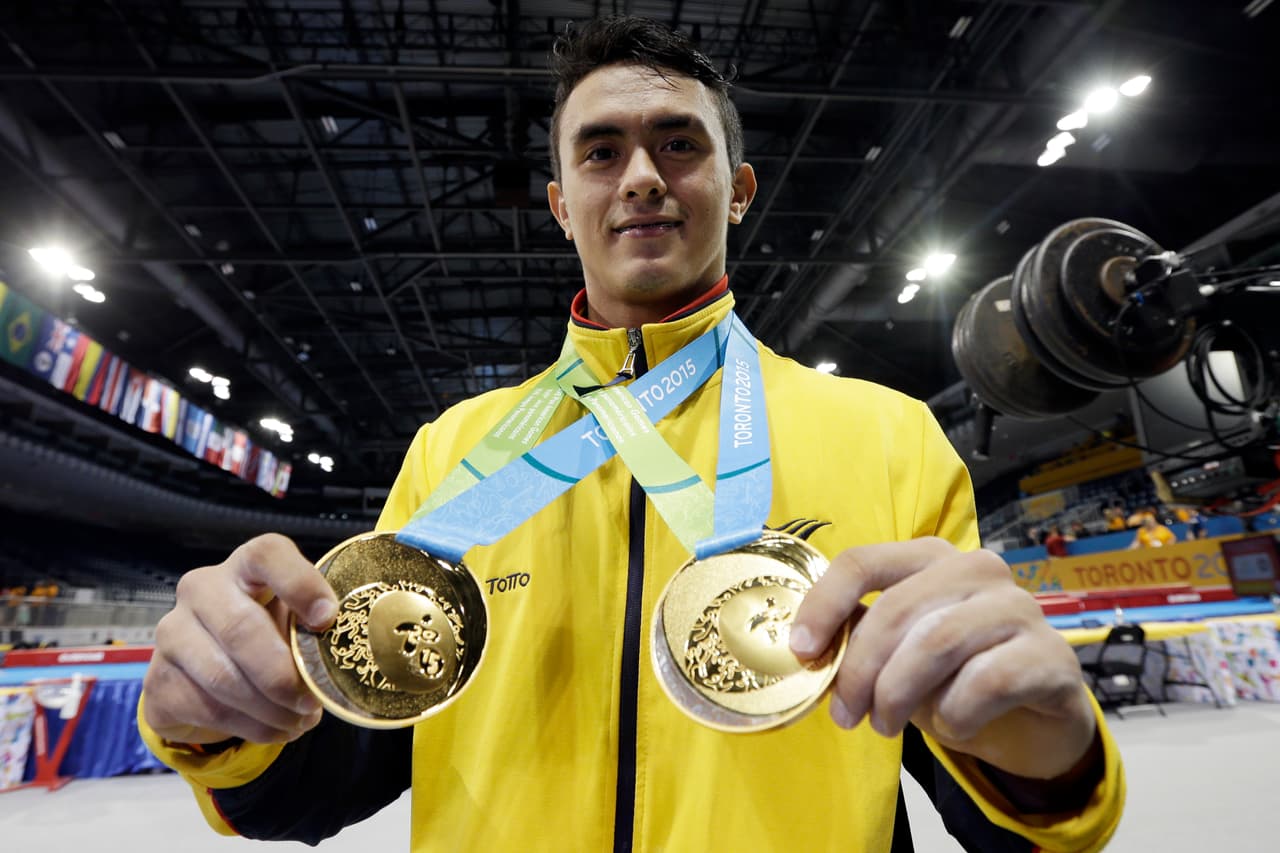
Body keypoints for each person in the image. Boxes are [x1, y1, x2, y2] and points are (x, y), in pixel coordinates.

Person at [137, 16, 1121, 852]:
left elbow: (980, 774)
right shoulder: (453, 449)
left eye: (678, 144)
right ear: (563, 205)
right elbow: (344, 764)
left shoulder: (887, 435)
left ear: (737, 188)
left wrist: (1047, 751)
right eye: (601, 151)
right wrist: (227, 723)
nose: (641, 176)